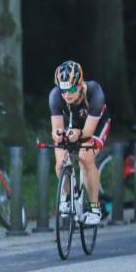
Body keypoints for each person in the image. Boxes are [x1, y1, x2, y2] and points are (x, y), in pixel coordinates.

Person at [48, 60, 111, 226]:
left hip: (95, 126)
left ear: (80, 84)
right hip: (71, 125)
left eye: (71, 89)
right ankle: (67, 195)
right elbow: (56, 129)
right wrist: (58, 134)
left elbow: (88, 132)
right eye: (63, 90)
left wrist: (79, 134)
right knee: (60, 163)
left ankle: (95, 208)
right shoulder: (55, 96)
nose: (67, 94)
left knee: (85, 158)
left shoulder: (95, 92)